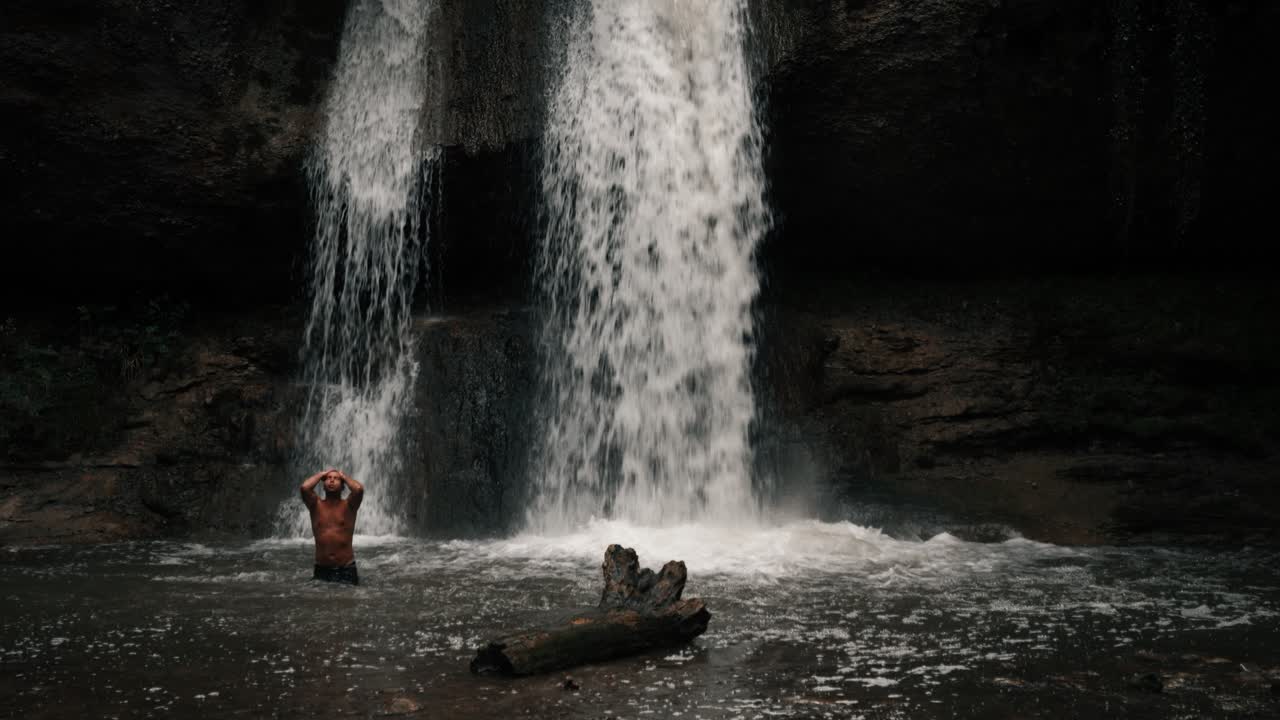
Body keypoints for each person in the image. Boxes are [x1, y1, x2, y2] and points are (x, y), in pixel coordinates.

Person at [299, 468, 363, 585]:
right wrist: (321, 474)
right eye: (328, 478)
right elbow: (304, 488)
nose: (332, 481)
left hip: (346, 569)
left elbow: (358, 489)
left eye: (336, 478)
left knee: (349, 602)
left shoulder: (349, 506)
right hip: (321, 569)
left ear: (343, 486)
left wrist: (344, 476)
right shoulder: (315, 505)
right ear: (323, 485)